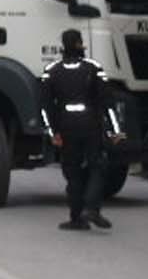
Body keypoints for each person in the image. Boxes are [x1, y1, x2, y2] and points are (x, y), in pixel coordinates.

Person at [39, 29, 122, 231]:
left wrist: (52, 133)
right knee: (97, 167)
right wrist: (115, 130)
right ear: (79, 45)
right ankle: (92, 208)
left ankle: (76, 218)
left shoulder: (51, 71)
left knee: (72, 171)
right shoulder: (93, 68)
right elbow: (107, 102)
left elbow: (45, 106)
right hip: (90, 125)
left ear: (63, 47)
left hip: (66, 127)